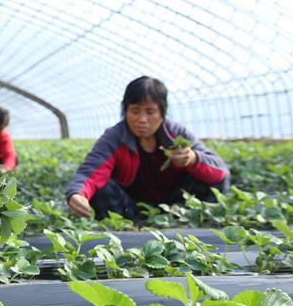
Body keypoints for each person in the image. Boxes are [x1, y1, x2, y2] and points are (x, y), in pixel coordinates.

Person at [66, 76, 229, 221]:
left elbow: (219, 170)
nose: (142, 119)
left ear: (162, 113)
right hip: (130, 207)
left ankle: (189, 221)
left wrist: (193, 159)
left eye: (150, 112)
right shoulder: (115, 137)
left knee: (213, 177)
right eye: (135, 111)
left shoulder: (176, 134)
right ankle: (130, 228)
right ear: (126, 111)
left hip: (177, 207)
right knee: (100, 188)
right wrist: (78, 194)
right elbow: (90, 172)